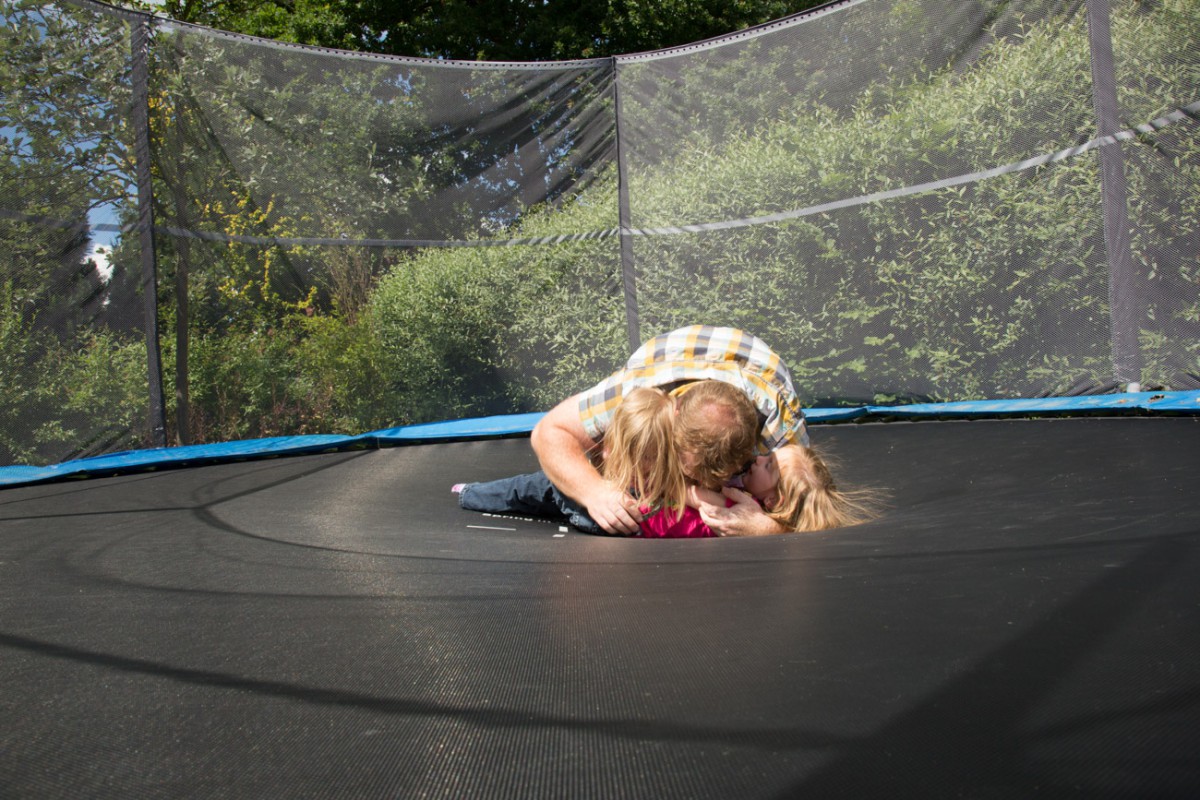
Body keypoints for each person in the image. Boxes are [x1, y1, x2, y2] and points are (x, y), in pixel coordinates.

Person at [531, 325, 808, 536]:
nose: (703, 485)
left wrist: (768, 528)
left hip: (759, 372)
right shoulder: (636, 385)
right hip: (668, 356)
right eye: (691, 471)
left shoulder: (777, 419)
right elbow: (549, 430)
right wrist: (594, 492)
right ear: (674, 416)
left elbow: (810, 508)